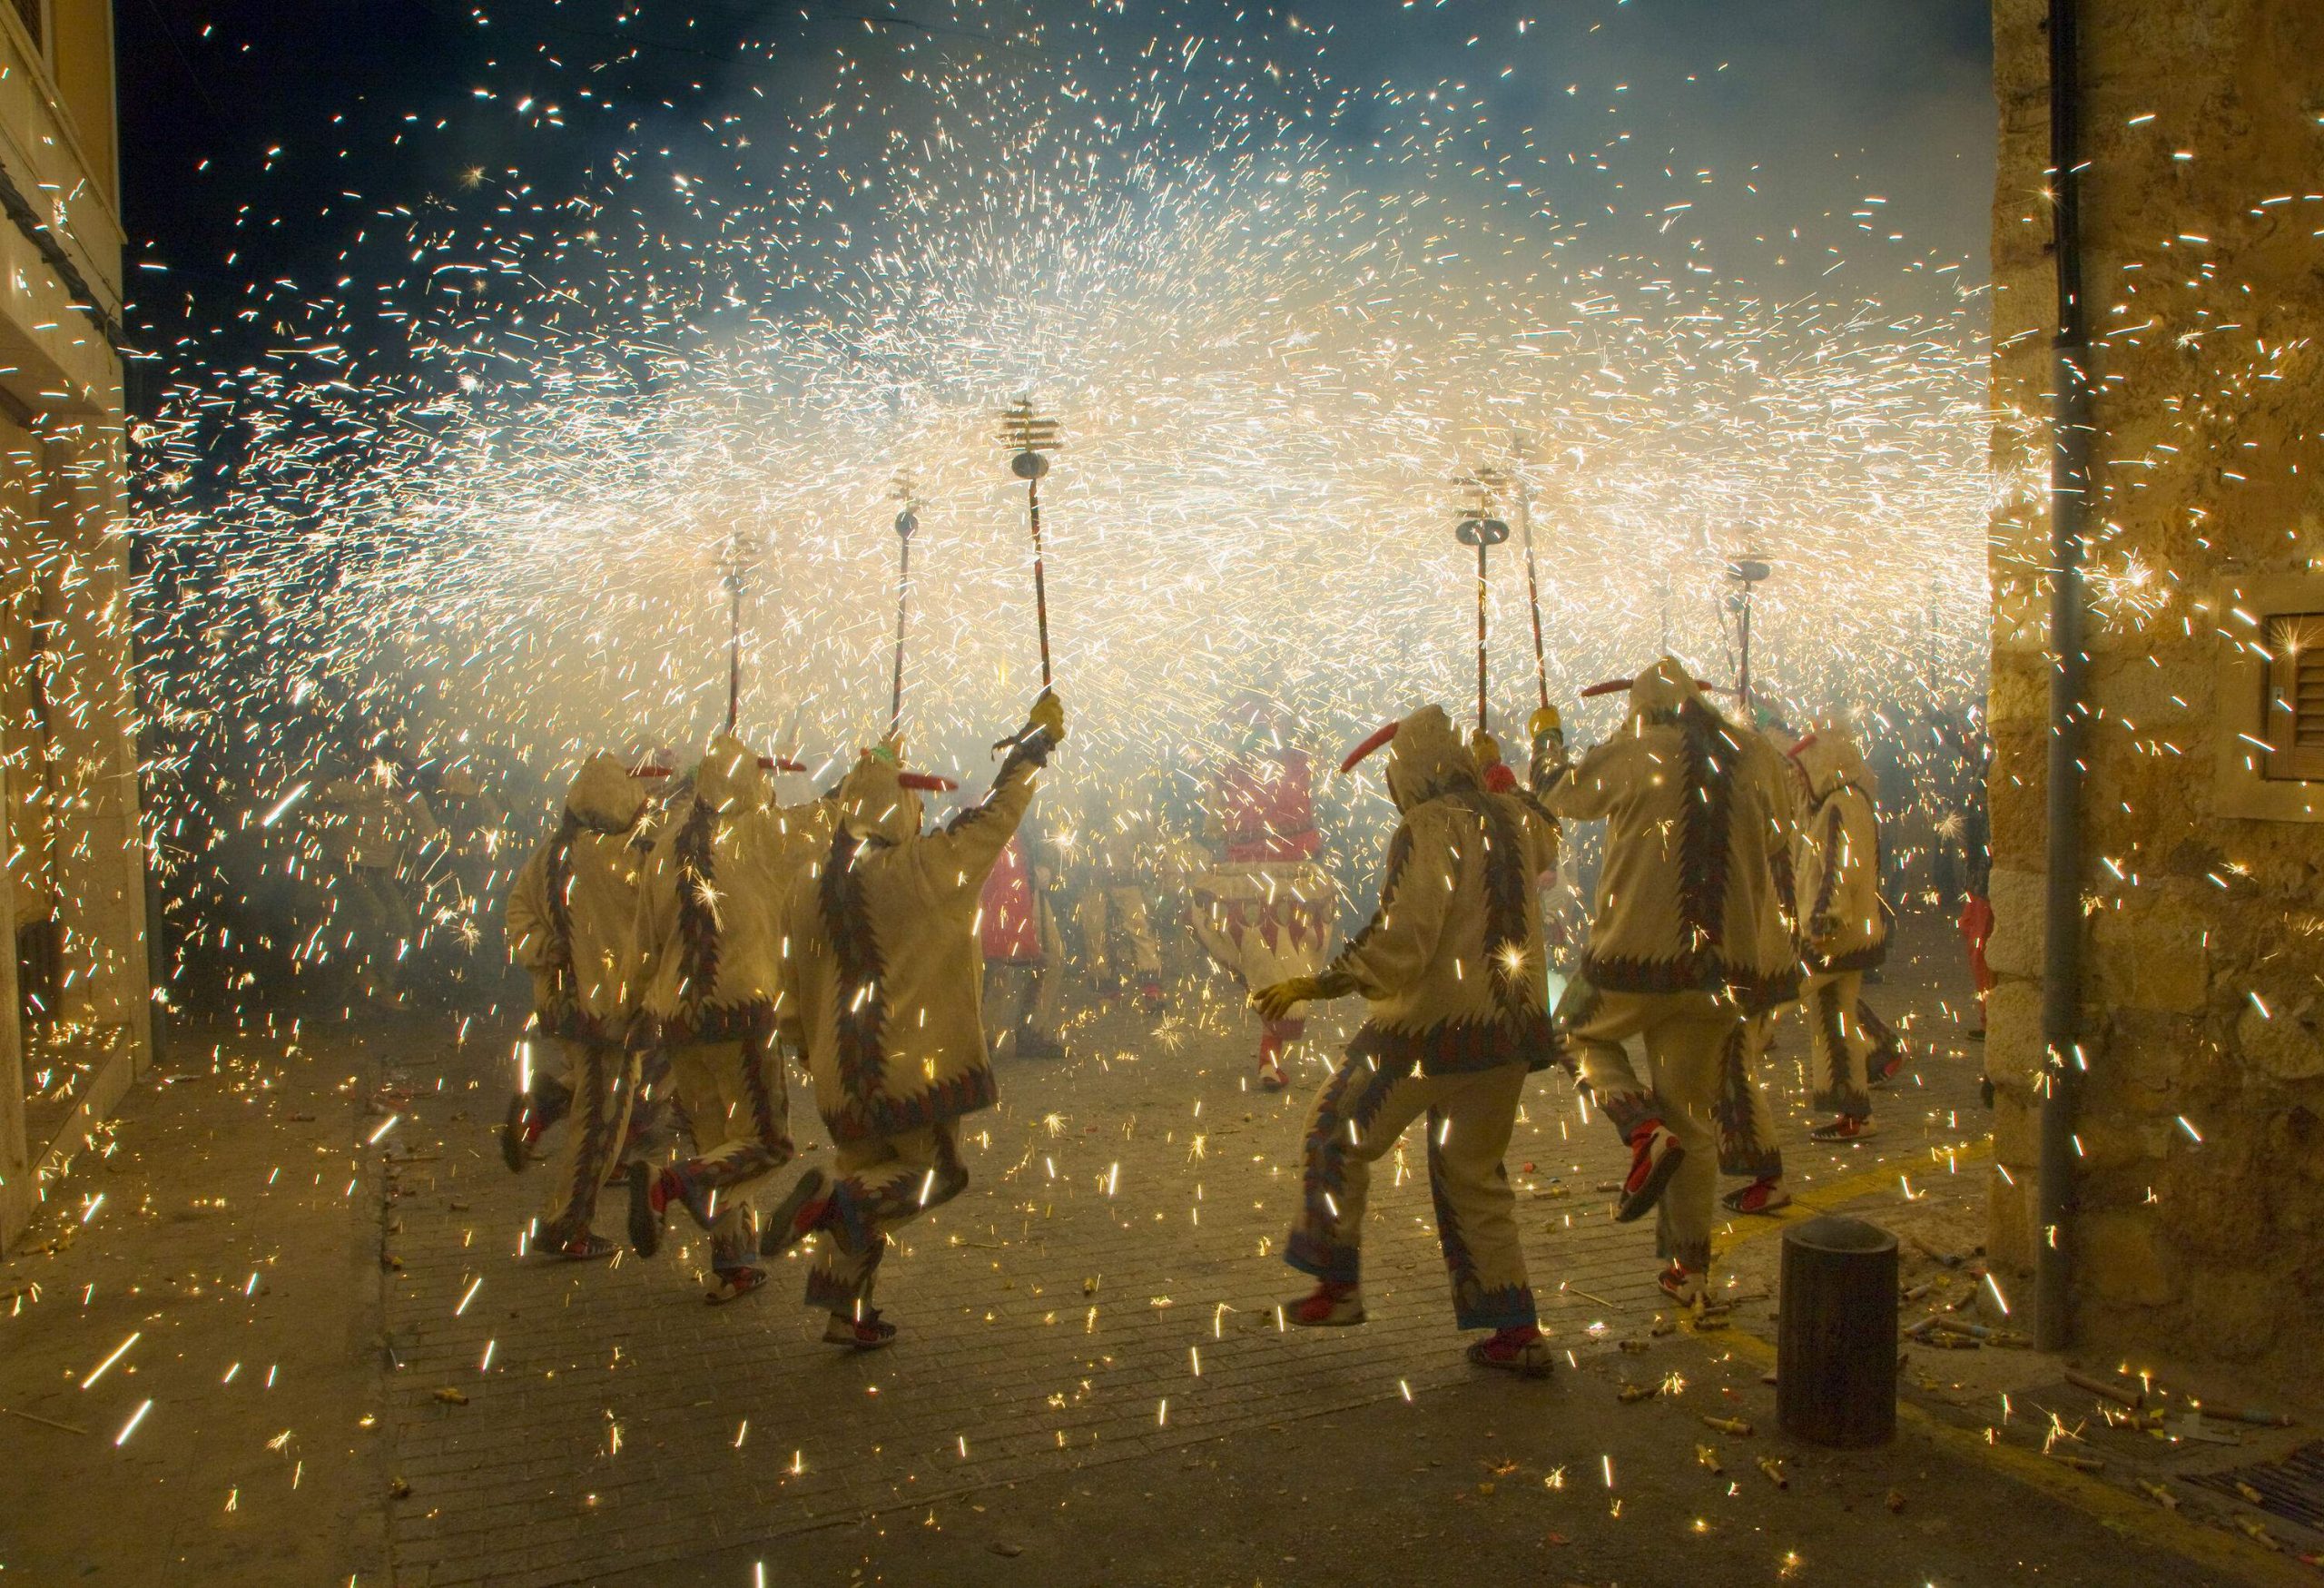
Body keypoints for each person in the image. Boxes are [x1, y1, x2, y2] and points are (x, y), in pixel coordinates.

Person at [1252, 704, 1561, 1377]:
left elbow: (1404, 939)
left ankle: (1336, 1284)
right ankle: (1516, 1329)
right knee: (1474, 1176)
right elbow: (1549, 836)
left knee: (1335, 1127)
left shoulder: (1428, 826)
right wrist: (1502, 771)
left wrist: (1324, 982)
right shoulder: (1511, 817)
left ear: (1412, 774)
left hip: (1433, 1029)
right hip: (1512, 1032)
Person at [764, 693, 1064, 1350]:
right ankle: (834, 1208)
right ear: (900, 805)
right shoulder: (920, 867)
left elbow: (789, 988)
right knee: (933, 1176)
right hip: (912, 1075)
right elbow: (993, 820)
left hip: (840, 1079)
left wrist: (808, 1054)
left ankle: (847, 1311)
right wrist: (1029, 756)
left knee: (862, 1171)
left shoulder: (807, 885)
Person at [1544, 659, 1798, 1306]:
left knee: (1569, 1029)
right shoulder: (1755, 755)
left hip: (1635, 958)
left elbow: (1562, 796)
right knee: (1695, 1114)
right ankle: (1694, 1274)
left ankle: (1640, 1128)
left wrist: (1547, 741)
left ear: (1643, 709)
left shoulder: (1634, 750)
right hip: (1724, 971)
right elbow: (1778, 835)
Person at [623, 735, 829, 1304]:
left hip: (677, 1021)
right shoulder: (760, 834)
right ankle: (667, 1186)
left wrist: (637, 1013)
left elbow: (645, 945)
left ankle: (732, 1263)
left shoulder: (664, 847)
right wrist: (879, 768)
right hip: (739, 1015)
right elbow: (833, 815)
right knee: (765, 1143)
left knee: (717, 1143)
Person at [502, 754, 650, 1258]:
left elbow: (517, 912)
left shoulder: (550, 852)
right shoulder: (626, 859)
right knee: (603, 1120)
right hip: (609, 1010)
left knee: (590, 1096)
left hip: (563, 1006)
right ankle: (569, 1225)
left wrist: (544, 950)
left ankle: (541, 1106)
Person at [1191, 702, 1334, 1091]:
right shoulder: (1297, 761)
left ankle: (1269, 1058)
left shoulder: (1230, 771)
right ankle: (1269, 1059)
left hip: (1259, 887)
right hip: (1286, 889)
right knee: (1283, 976)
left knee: (1273, 975)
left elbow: (1214, 828)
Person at [1788, 720, 1896, 1141]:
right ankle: (1855, 1111)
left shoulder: (1840, 806)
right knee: (1836, 1021)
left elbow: (1839, 869)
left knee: (1773, 1001)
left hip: (1833, 938)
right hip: (1849, 936)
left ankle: (1857, 1107)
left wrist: (1822, 921)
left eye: (1802, 771)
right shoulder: (1849, 800)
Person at [980, 822, 1068, 1060]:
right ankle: (981, 1042)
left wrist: (1044, 864)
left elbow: (1047, 827)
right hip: (999, 881)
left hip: (1027, 880)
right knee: (998, 963)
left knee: (1051, 958)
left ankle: (1030, 1030)